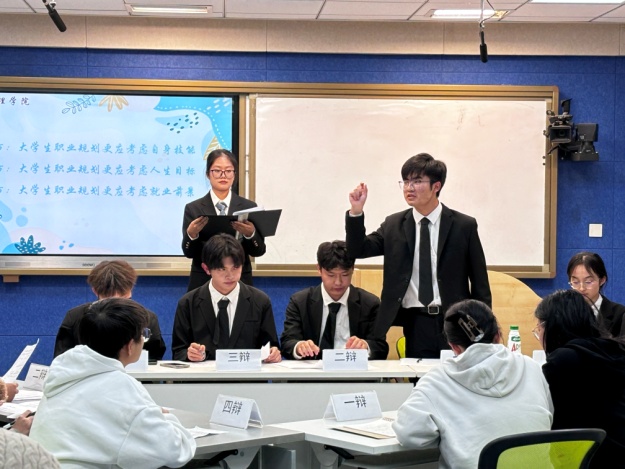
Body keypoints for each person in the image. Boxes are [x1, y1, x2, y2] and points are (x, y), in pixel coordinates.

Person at [346, 153, 491, 358]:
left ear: (436, 186)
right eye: (405, 182)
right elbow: (358, 250)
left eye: (417, 181)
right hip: (415, 321)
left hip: (456, 320)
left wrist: (484, 326)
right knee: (420, 374)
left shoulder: (463, 226)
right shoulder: (394, 225)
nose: (409, 188)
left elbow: (480, 282)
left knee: (459, 375)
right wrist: (356, 212)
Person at [30, 298, 196, 468]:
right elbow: (175, 450)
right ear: (130, 346)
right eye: (143, 334)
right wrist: (164, 416)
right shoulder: (122, 388)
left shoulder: (64, 373)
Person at [393, 300, 553, 469]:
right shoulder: (532, 367)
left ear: (453, 347)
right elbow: (548, 415)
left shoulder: (436, 380)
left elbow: (408, 435)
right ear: (498, 335)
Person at [534, 289, 625, 468]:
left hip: (588, 458)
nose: (539, 336)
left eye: (539, 328)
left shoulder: (562, 361)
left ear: (552, 326)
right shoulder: (614, 350)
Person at [172, 233, 281, 362]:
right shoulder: (187, 303)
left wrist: (273, 353)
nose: (230, 275)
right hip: (205, 374)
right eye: (222, 269)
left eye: (235, 267)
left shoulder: (260, 301)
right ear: (206, 269)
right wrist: (190, 354)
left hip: (246, 373)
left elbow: (270, 345)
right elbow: (178, 351)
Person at [280, 240, 388, 360]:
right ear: (319, 269)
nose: (338, 282)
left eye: (345, 275)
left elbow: (381, 347)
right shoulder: (300, 302)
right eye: (331, 275)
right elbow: (287, 343)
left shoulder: (370, 303)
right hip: (313, 369)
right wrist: (299, 347)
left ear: (352, 269)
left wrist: (365, 346)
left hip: (352, 369)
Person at [182, 149, 266, 291]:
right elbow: (189, 253)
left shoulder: (249, 207)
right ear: (208, 174)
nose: (223, 175)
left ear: (234, 174)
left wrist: (250, 234)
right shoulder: (194, 208)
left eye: (228, 171)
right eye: (217, 170)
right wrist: (191, 235)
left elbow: (258, 251)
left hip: (240, 282)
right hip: (203, 282)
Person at [54, 260, 166, 361]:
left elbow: (154, 358)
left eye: (122, 297)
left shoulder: (147, 318)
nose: (116, 302)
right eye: (109, 299)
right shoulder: (75, 317)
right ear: (95, 291)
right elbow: (62, 360)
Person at [567, 251, 625, 337]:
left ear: (602, 280)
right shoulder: (562, 313)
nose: (581, 288)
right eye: (575, 282)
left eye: (588, 282)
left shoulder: (620, 314)